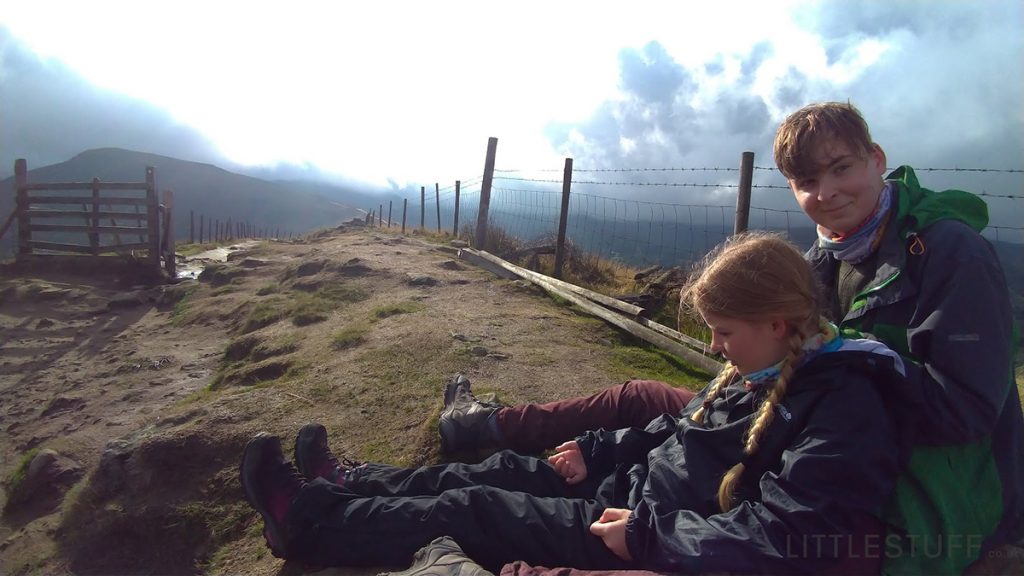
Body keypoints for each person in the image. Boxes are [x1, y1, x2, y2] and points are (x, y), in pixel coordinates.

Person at [439, 101, 1024, 574]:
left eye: (841, 168)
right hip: (813, 416)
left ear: (876, 159)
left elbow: (967, 411)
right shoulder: (824, 257)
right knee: (643, 397)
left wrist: (863, 363)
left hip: (921, 474)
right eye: (805, 181)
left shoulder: (949, 253)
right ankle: (485, 426)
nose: (826, 193)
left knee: (777, 534)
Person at [240, 232, 909, 573]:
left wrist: (645, 534)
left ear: (781, 323)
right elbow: (678, 428)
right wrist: (597, 449)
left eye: (724, 332)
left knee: (472, 508)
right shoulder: (758, 367)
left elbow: (786, 540)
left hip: (637, 533)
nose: (714, 346)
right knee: (488, 472)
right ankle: (348, 484)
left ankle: (303, 520)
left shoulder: (844, 409)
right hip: (624, 490)